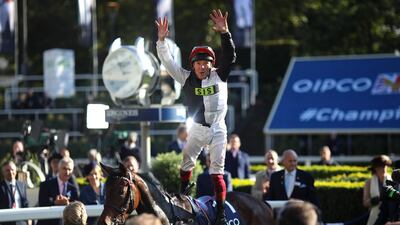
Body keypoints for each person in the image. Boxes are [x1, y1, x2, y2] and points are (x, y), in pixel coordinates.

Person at [156, 8, 236, 225]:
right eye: (198, 63)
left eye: (206, 63)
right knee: (185, 164)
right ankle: (183, 195)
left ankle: (220, 212)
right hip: (198, 128)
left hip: (219, 128)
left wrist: (225, 33)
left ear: (212, 64)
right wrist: (161, 41)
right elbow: (168, 61)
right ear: (192, 65)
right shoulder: (185, 77)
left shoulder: (220, 74)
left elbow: (230, 56)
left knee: (217, 172)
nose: (202, 66)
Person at [38, 157, 79, 225]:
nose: (67, 172)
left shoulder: (73, 188)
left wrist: (68, 203)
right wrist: (55, 203)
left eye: (69, 169)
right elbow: (42, 204)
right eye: (64, 169)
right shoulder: (45, 185)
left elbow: (77, 206)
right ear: (58, 169)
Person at [363, 155, 392, 225]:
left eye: (385, 165)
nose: (384, 168)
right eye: (381, 166)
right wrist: (377, 200)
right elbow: (365, 203)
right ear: (375, 168)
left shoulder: (393, 180)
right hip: (374, 216)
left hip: (390, 217)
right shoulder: (368, 182)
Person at [0, 161, 31, 225]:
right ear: (3, 173)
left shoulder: (22, 185)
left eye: (12, 170)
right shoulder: (1, 187)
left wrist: (29, 218)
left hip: (21, 222)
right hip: (5, 222)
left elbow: (25, 204)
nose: (10, 172)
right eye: (7, 170)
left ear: (16, 171)